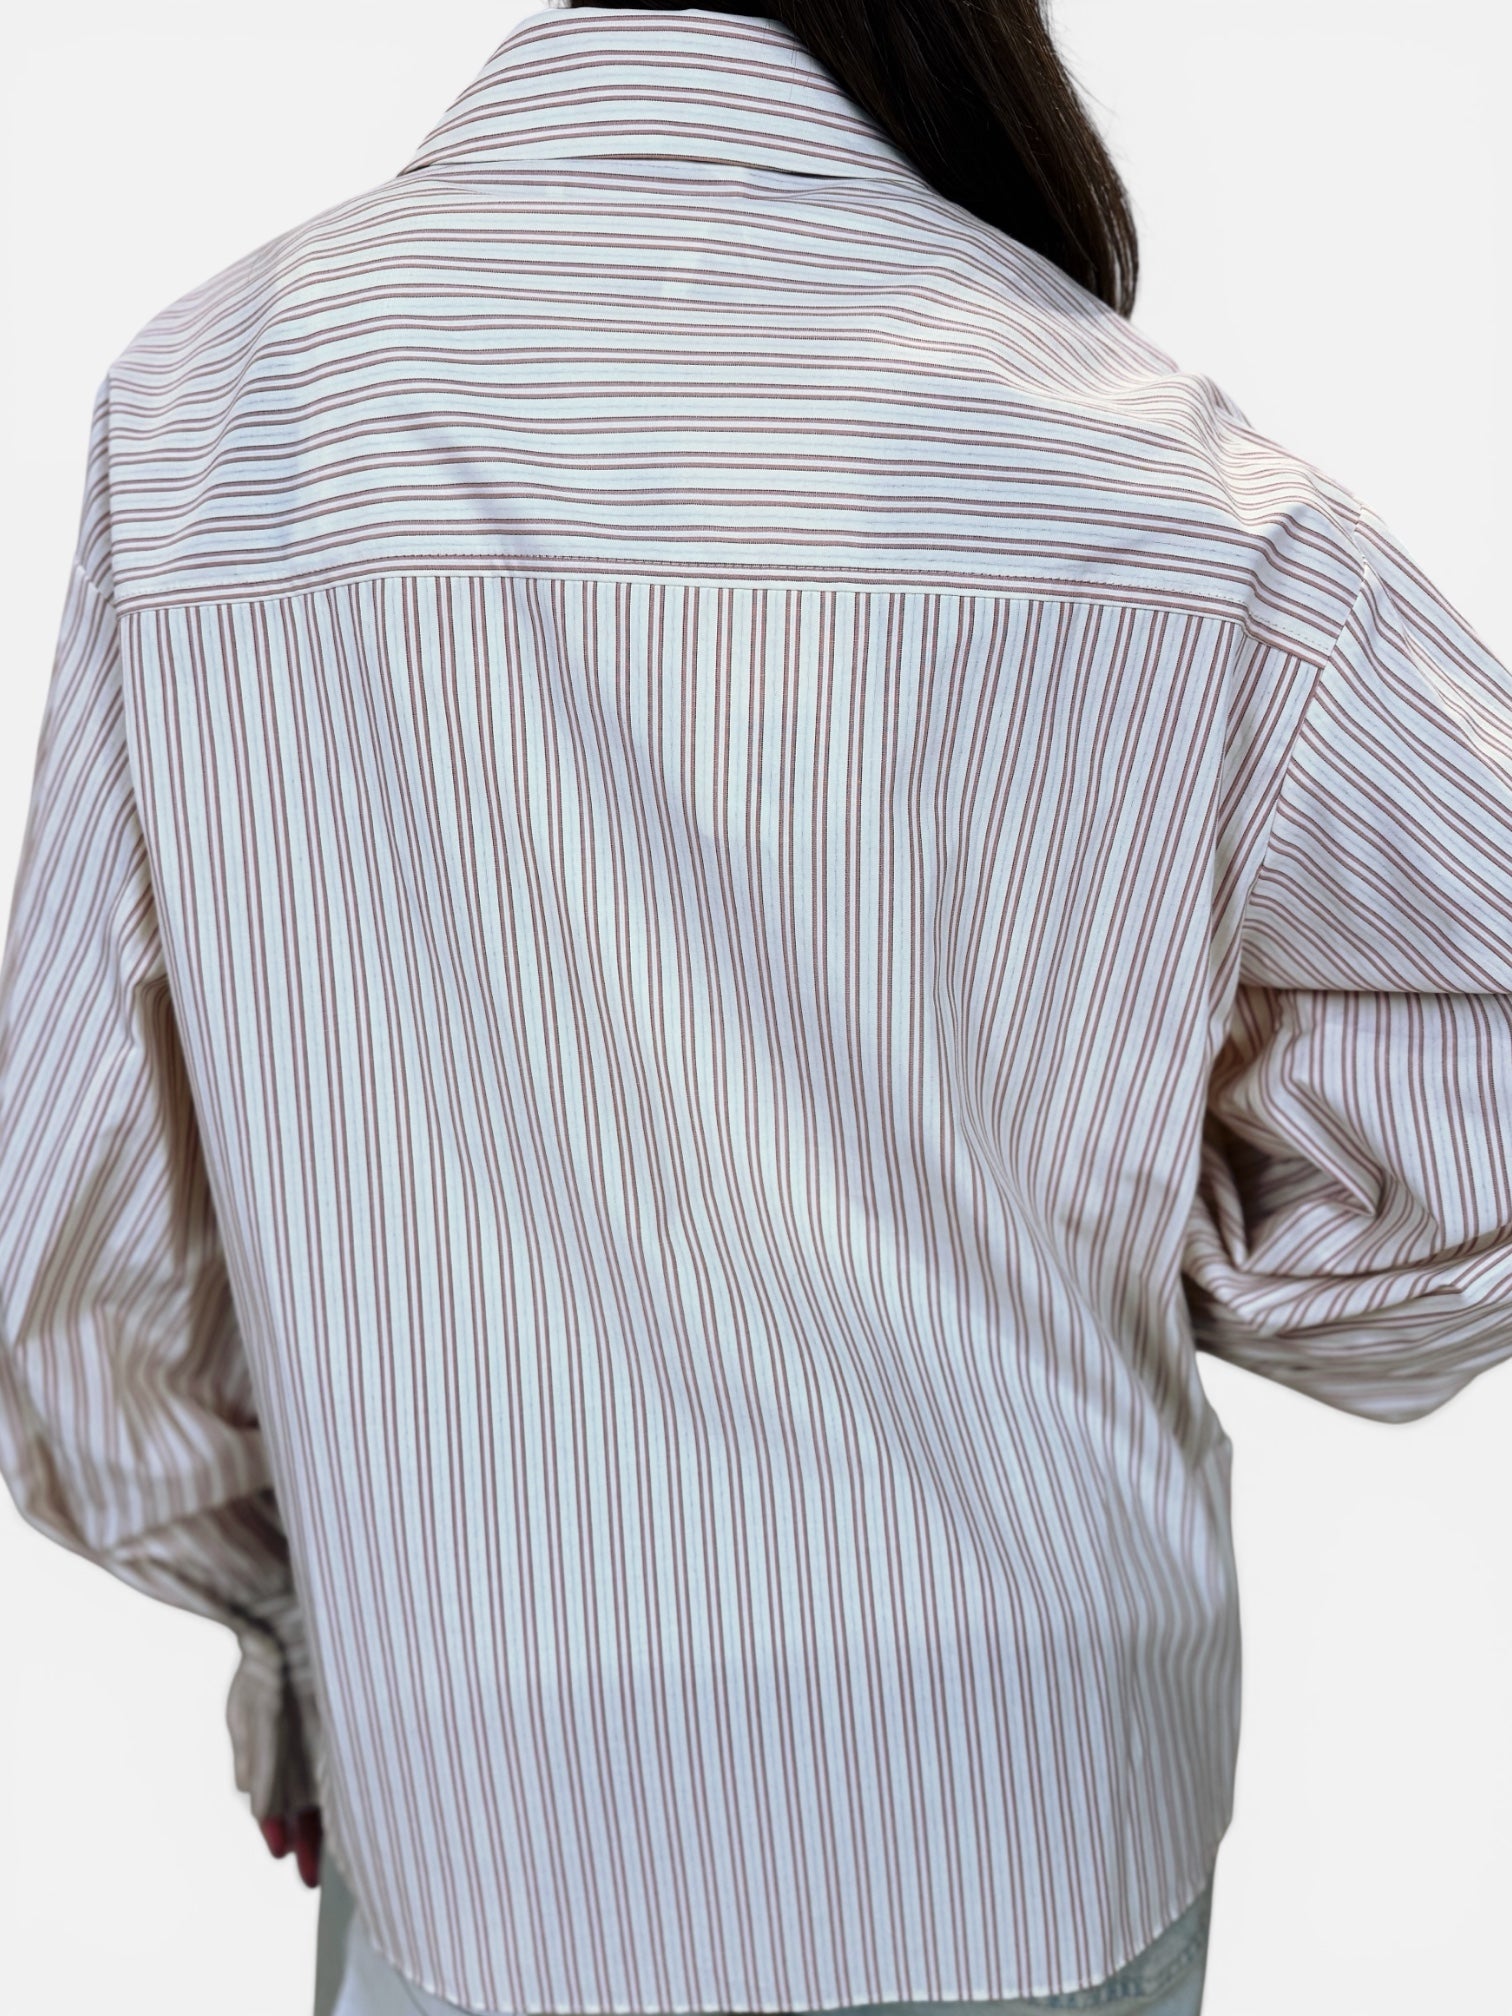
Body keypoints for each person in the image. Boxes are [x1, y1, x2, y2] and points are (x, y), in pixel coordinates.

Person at [0, 3, 1506, 2013]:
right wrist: (1190, 1236)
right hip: (1033, 1788)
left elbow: (79, 1205)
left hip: (487, 1784)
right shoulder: (1147, 453)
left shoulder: (219, 406)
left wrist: (298, 1631)